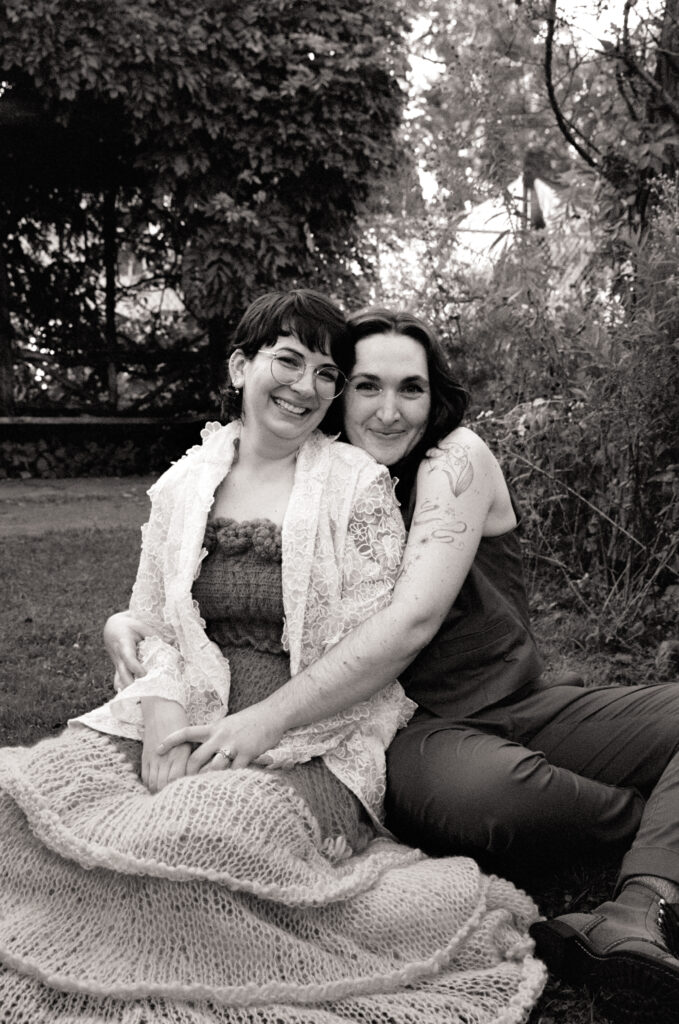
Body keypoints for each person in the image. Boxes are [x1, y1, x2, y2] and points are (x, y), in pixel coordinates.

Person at [108, 304, 679, 1021]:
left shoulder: (454, 460)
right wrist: (126, 619)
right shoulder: (322, 483)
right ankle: (647, 815)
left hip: (524, 703)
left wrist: (262, 722)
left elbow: (408, 622)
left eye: (409, 388)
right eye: (364, 386)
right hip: (419, 731)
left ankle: (639, 905)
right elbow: (205, 589)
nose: (387, 410)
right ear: (338, 398)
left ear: (432, 397)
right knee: (481, 802)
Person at [0, 291, 545, 1024]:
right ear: (239, 366)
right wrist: (162, 726)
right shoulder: (183, 485)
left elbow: (367, 645)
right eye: (288, 361)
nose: (306, 387)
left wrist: (255, 732)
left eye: (326, 374)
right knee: (25, 795)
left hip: (308, 737)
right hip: (185, 708)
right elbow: (156, 622)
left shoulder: (358, 486)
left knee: (198, 833)